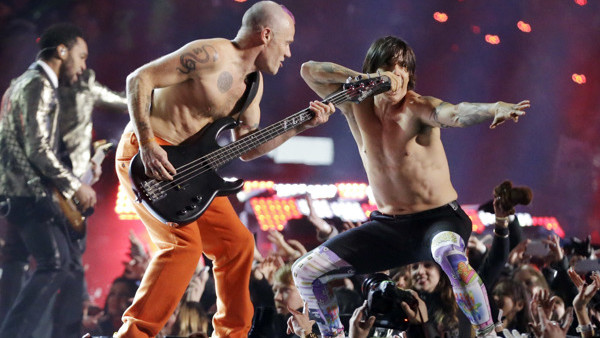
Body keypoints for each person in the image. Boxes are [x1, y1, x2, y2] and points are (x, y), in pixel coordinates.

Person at [113, 1, 335, 337]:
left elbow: (249, 148)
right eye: (287, 43)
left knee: (238, 245)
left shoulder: (253, 86)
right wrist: (147, 143)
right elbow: (138, 79)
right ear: (266, 34)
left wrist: (299, 126)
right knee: (182, 249)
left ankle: (232, 334)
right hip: (146, 158)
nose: (288, 53)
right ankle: (133, 334)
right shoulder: (210, 54)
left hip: (191, 171)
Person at [292, 35, 531, 337]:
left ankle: (486, 333)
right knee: (305, 271)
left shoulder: (418, 107)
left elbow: (456, 113)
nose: (398, 75)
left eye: (403, 68)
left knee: (447, 253)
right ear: (375, 70)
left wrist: (493, 107)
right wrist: (367, 81)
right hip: (389, 227)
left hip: (439, 219)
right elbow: (308, 70)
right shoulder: (356, 107)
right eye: (390, 67)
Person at [0, 23, 95, 338]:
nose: (83, 67)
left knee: (28, 265)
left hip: (15, 193)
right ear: (62, 51)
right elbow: (38, 148)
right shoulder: (39, 84)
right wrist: (74, 185)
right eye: (81, 57)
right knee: (56, 263)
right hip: (28, 194)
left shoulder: (20, 83)